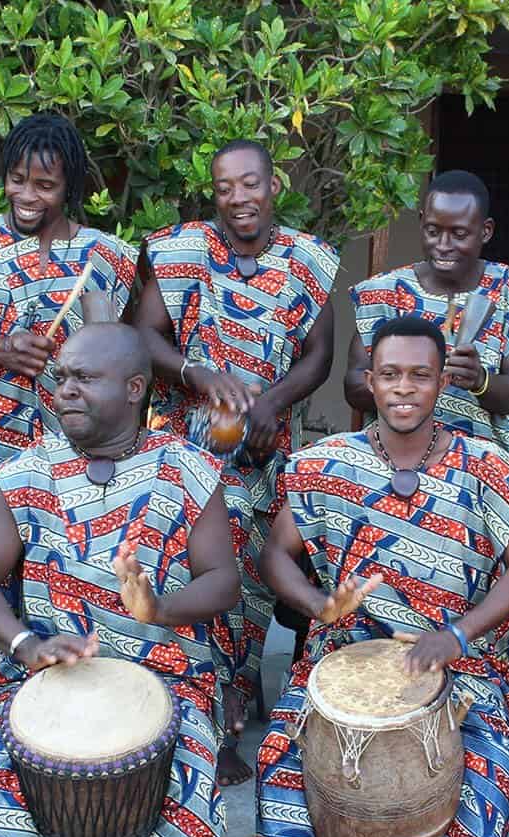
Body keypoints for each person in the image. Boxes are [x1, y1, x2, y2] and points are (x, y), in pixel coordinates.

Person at [254, 316, 509, 837]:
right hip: (343, 658)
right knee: (276, 756)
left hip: (460, 668)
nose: (404, 388)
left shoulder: (484, 467)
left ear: (442, 383)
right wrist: (318, 605)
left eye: (419, 375)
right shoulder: (326, 464)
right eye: (390, 374)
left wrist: (458, 635)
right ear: (369, 382)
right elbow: (274, 556)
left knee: (491, 773)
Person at [0, 323, 240, 837]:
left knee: (197, 799)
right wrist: (25, 645)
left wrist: (159, 608)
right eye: (61, 378)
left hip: (168, 678)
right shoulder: (24, 473)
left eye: (84, 378)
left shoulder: (187, 470)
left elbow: (224, 580)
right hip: (46, 677)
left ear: (135, 388)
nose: (65, 389)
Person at [0, 113, 138, 759]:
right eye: (16, 179)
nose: (26, 195)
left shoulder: (103, 258)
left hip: (70, 462)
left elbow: (115, 352)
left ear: (69, 186)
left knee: (59, 593)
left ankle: (48, 738)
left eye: (44, 184)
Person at [133, 139, 341, 788]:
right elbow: (144, 335)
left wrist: (270, 404)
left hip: (265, 452)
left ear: (273, 185)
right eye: (224, 188)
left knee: (250, 589)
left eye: (250, 184)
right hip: (188, 453)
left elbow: (320, 355)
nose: (238, 199)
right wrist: (195, 373)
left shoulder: (307, 260)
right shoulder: (183, 252)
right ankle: (183, 718)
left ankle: (228, 719)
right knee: (187, 579)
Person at [345, 170, 509, 467]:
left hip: (482, 471)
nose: (443, 244)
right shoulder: (384, 294)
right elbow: (353, 387)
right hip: (393, 469)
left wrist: (479, 380)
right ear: (421, 222)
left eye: (459, 234)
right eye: (433, 231)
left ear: (486, 231)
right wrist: (400, 382)